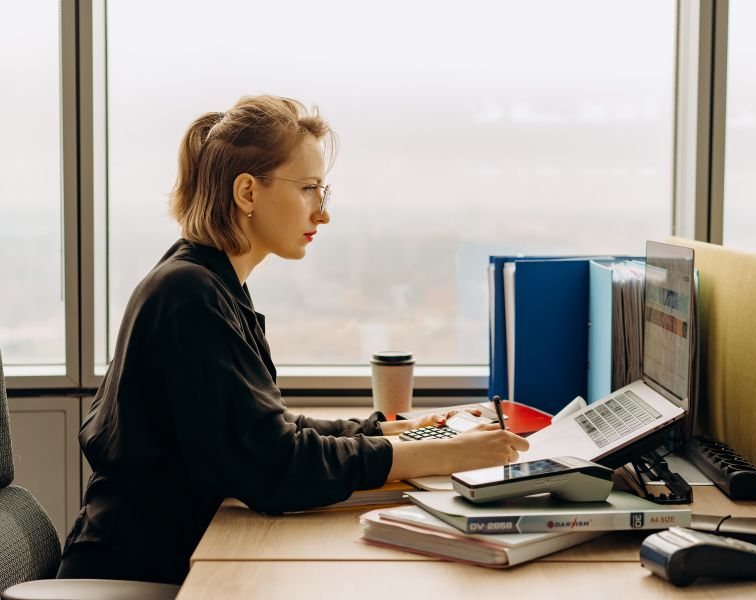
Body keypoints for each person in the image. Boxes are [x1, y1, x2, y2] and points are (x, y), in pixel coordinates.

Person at [57, 95, 529, 584]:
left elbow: (267, 430)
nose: (322, 214)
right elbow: (275, 465)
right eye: (308, 189)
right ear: (246, 193)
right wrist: (443, 454)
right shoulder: (191, 295)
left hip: (167, 556)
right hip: (137, 574)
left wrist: (401, 429)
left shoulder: (210, 284)